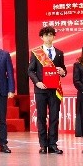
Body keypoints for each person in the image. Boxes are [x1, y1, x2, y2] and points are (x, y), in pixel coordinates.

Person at [27, 26, 67, 154]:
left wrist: (63, 72)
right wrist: (37, 82)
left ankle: (53, 144)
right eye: (46, 35)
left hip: (55, 90)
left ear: (54, 36)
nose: (48, 38)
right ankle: (43, 145)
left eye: (50, 35)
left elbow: (63, 70)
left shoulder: (59, 53)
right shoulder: (36, 52)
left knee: (54, 117)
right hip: (41, 89)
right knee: (41, 117)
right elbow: (30, 70)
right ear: (41, 37)